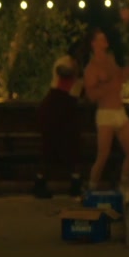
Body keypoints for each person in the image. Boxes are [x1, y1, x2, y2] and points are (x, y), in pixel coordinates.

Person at [83, 29, 129, 196]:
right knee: (103, 155)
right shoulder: (91, 68)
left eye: (105, 39)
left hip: (119, 111)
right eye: (101, 39)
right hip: (105, 114)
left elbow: (120, 78)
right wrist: (108, 86)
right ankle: (91, 188)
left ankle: (124, 185)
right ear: (94, 44)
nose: (105, 42)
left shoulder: (111, 60)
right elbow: (91, 95)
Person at [34, 41, 85, 198]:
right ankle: (40, 182)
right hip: (55, 106)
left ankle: (75, 182)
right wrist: (75, 70)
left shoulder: (83, 69)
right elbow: (62, 71)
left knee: (72, 145)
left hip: (69, 108)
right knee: (49, 146)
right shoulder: (66, 62)